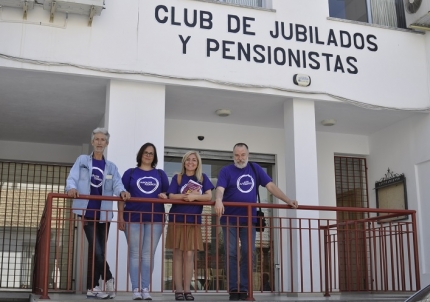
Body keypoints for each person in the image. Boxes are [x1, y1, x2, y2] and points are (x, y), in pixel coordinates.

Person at [214, 143, 298, 301]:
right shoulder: (226, 170)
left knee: (249, 253)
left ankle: (244, 288)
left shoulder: (255, 169)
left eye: (243, 155)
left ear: (248, 154)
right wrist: (218, 200)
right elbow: (220, 189)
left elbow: (271, 186)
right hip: (229, 220)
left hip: (249, 220)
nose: (240, 158)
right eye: (237, 155)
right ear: (233, 156)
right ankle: (233, 289)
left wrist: (288, 200)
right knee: (231, 254)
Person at [66, 127, 130, 299]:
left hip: (104, 214)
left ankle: (93, 288)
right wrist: (71, 188)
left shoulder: (111, 167)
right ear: (92, 142)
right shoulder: (82, 160)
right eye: (97, 139)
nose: (100, 142)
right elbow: (72, 177)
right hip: (87, 212)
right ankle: (108, 278)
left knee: (98, 252)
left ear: (106, 144)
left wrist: (122, 192)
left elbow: (117, 184)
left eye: (103, 140)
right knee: (97, 250)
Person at [118, 143, 169, 300]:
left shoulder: (161, 174)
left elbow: (168, 193)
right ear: (140, 154)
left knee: (148, 255)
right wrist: (120, 217)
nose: (148, 155)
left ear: (154, 157)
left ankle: (145, 288)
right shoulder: (130, 173)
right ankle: (135, 290)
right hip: (132, 218)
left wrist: (166, 196)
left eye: (151, 153)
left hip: (156, 219)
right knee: (134, 254)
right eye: (146, 152)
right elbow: (121, 195)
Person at [165, 151, 214, 301]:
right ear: (184, 162)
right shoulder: (177, 177)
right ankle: (178, 290)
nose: (190, 162)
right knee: (178, 255)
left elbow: (209, 196)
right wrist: (189, 197)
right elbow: (171, 196)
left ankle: (187, 290)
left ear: (198, 163)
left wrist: (195, 197)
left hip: (193, 222)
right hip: (177, 220)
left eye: (194, 160)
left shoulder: (202, 178)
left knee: (189, 255)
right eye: (188, 160)